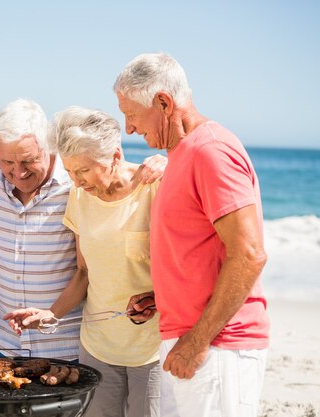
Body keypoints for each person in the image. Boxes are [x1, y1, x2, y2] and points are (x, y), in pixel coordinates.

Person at [114, 53, 269, 417]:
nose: (130, 128)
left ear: (164, 103)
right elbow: (202, 248)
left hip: (215, 347)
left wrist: (198, 341)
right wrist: (166, 294)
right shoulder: (183, 153)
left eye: (132, 114)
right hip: (194, 341)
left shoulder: (211, 150)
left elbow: (249, 254)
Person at [0, 98, 165, 360]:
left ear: (48, 147)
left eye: (28, 161)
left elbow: (118, 173)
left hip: (70, 350)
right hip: (8, 344)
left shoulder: (78, 179)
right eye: (7, 162)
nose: (17, 172)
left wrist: (166, 164)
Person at [4, 106, 161, 417]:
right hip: (97, 348)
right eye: (70, 171)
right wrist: (50, 313)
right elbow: (84, 271)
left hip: (151, 349)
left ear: (115, 156)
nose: (76, 182)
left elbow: (187, 265)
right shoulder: (80, 196)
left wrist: (160, 298)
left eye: (84, 171)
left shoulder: (154, 186)